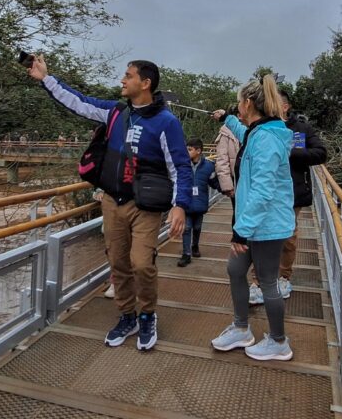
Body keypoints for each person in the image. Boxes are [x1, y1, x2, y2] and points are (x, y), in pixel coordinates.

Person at [26, 55, 192, 351]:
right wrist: (46, 79)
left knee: (141, 264)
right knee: (118, 263)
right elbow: (78, 101)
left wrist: (180, 205)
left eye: (128, 76)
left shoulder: (166, 122)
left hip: (145, 206)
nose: (122, 80)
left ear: (145, 83)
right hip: (112, 202)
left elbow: (180, 165)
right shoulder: (115, 113)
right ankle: (127, 315)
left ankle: (147, 315)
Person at [209, 75, 295, 361]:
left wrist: (241, 230)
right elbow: (242, 130)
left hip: (266, 225)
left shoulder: (267, 139)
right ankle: (241, 328)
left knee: (268, 281)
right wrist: (227, 118)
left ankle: (279, 342)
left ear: (248, 103)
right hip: (254, 223)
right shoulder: (259, 132)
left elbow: (263, 190)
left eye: (238, 105)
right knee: (235, 270)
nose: (237, 109)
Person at [249, 89, 329, 305]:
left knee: (287, 238)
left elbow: (321, 153)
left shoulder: (301, 129)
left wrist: (289, 151)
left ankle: (284, 277)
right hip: (265, 191)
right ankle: (258, 282)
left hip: (292, 193)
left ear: (285, 106)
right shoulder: (260, 126)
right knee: (261, 235)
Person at [178, 138, 219, 266]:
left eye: (189, 150)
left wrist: (227, 189)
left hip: (200, 203)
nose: (187, 152)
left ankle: (195, 245)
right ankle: (186, 254)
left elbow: (214, 182)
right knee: (187, 228)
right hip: (186, 202)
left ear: (198, 151)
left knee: (197, 227)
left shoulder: (208, 166)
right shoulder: (183, 165)